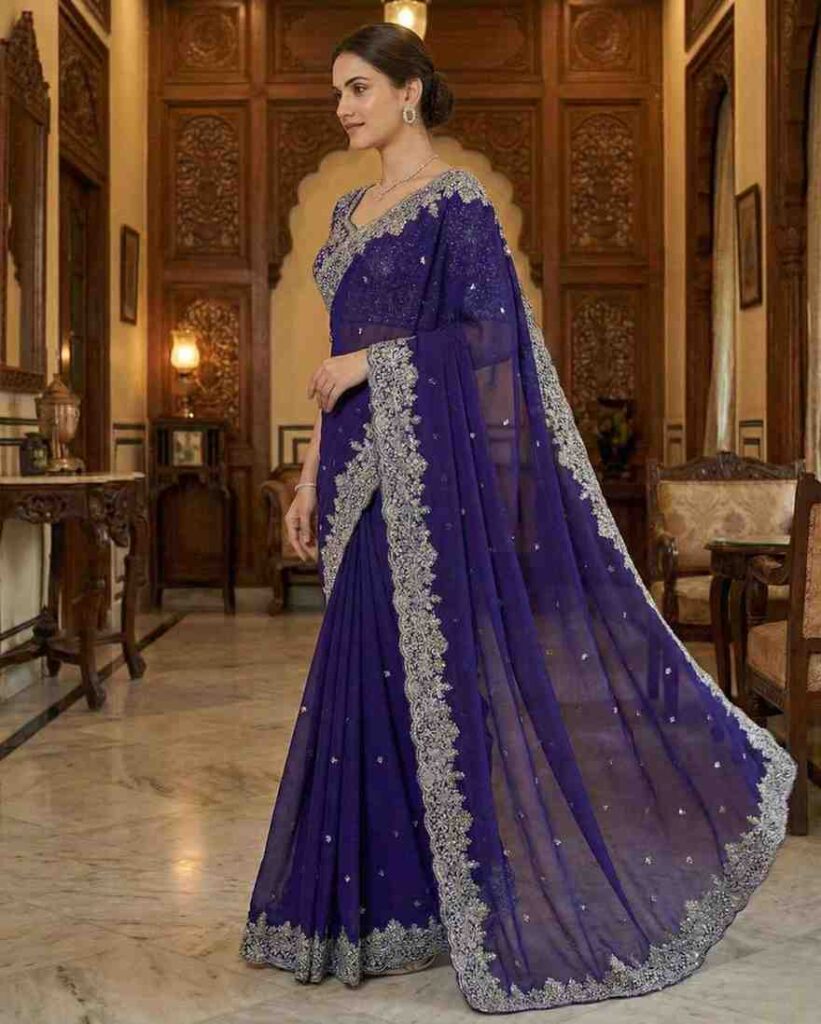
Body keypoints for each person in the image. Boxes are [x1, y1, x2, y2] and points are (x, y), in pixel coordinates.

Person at [241, 21, 797, 1015]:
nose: (342, 107)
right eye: (336, 92)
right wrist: (308, 477)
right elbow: (328, 372)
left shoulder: (454, 204)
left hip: (425, 488)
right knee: (362, 680)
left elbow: (487, 337)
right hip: (354, 480)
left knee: (428, 686)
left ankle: (438, 901)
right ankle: (376, 910)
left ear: (408, 92)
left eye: (358, 88)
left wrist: (373, 363)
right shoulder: (344, 213)